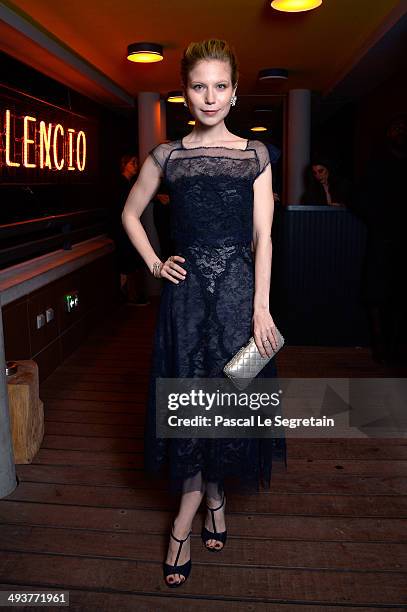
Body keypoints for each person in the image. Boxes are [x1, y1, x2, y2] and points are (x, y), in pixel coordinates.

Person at [122, 38, 287, 588]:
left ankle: (209, 499)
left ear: (235, 93)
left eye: (220, 86)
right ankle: (193, 510)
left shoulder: (254, 156)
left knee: (228, 397)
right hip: (186, 301)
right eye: (199, 86)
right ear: (184, 95)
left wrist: (262, 309)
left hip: (242, 299)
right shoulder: (168, 157)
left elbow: (265, 237)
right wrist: (152, 262)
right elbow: (130, 212)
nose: (210, 96)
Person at [355, 113, 407, 363]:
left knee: (394, 294)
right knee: (377, 292)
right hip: (383, 236)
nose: (399, 130)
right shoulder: (377, 162)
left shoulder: (384, 162)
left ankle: (392, 346)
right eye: (396, 125)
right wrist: (379, 222)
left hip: (391, 237)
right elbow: (362, 198)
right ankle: (381, 346)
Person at [110, 154, 150, 305]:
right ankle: (129, 296)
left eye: (136, 163)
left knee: (130, 261)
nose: (136, 166)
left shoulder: (127, 184)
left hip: (125, 229)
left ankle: (129, 296)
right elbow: (122, 210)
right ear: (124, 165)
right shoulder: (121, 184)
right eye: (133, 163)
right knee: (128, 262)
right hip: (122, 230)